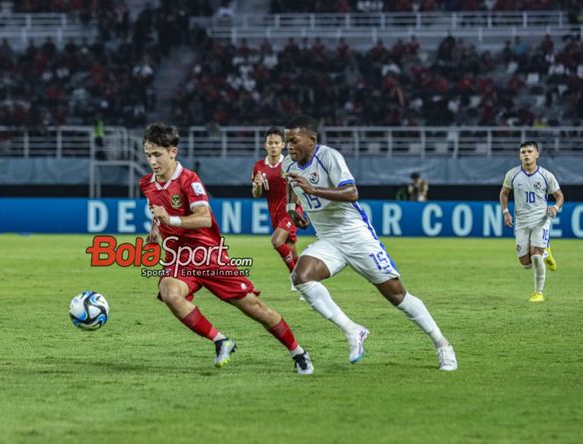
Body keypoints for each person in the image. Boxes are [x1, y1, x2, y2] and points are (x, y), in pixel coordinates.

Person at [282, 115, 457, 371]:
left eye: (294, 140)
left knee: (397, 295)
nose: (289, 146)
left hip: (356, 235)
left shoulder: (329, 157)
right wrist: (291, 209)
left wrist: (313, 190)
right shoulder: (289, 163)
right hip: (328, 240)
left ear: (312, 140)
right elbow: (290, 183)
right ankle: (352, 330)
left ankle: (442, 345)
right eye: (287, 141)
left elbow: (352, 193)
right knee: (301, 277)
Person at [139, 123, 314, 374]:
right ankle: (221, 340)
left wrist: (170, 220)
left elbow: (204, 218)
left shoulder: (189, 180)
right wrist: (156, 228)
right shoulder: (147, 183)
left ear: (173, 152)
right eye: (148, 155)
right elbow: (159, 209)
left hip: (209, 255)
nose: (152, 161)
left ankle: (298, 352)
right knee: (169, 291)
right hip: (180, 258)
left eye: (157, 154)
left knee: (254, 308)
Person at [499, 141, 563, 302]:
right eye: (523, 152)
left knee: (535, 257)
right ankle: (546, 252)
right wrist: (506, 212)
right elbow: (504, 194)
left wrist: (555, 207)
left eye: (529, 151)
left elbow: (560, 196)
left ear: (536, 154)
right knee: (525, 263)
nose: (526, 154)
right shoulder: (512, 174)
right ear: (520, 155)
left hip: (541, 220)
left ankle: (538, 293)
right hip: (521, 222)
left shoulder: (546, 175)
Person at [251, 127, 303, 285]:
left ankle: (296, 279)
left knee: (276, 241)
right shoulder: (259, 167)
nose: (273, 146)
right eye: (270, 143)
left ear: (283, 145)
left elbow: (301, 187)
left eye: (276, 143)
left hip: (291, 209)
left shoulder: (290, 163)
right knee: (290, 246)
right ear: (265, 145)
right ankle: (304, 280)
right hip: (274, 212)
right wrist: (258, 185)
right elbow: (256, 194)